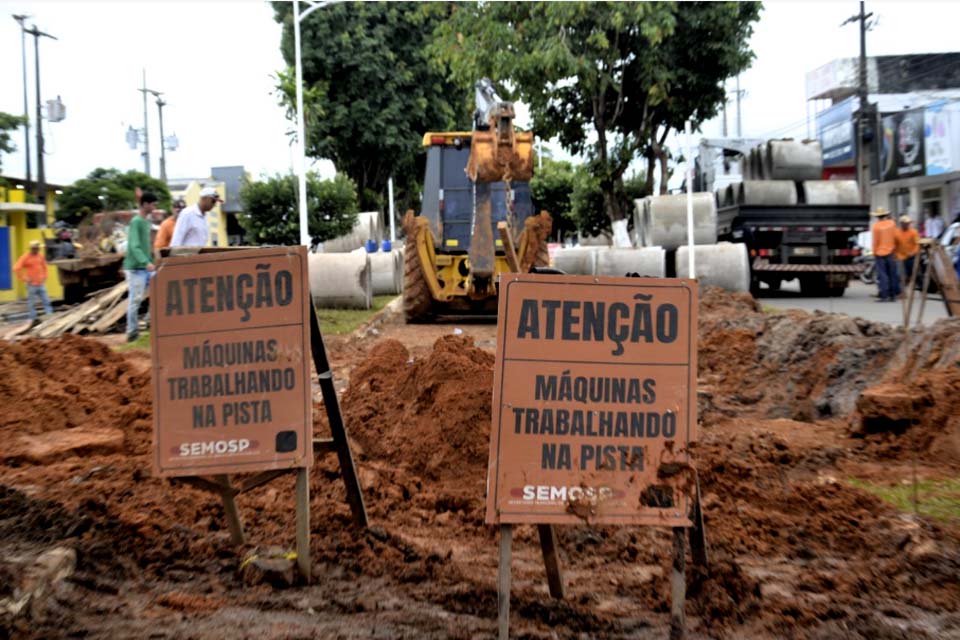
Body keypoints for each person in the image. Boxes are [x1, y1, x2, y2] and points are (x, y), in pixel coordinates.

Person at [124, 191, 158, 342]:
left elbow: (145, 246)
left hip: (145, 267)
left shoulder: (145, 222)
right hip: (136, 268)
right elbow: (134, 246)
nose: (155, 207)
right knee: (135, 300)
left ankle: (150, 322)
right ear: (145, 204)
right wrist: (146, 262)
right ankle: (132, 333)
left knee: (158, 291)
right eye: (153, 204)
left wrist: (150, 260)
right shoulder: (136, 222)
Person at [14, 240, 53, 326]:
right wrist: (24, 278)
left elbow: (45, 267)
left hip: (41, 284)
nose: (36, 250)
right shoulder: (25, 257)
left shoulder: (40, 256)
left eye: (37, 249)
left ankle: (49, 317)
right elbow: (16, 268)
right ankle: (33, 319)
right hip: (31, 285)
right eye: (34, 248)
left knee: (46, 301)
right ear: (31, 249)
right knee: (31, 303)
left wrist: (45, 276)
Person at [871, 207, 900, 302]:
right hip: (891, 252)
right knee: (892, 274)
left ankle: (884, 295)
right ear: (886, 215)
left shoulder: (876, 226)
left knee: (882, 275)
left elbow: (875, 241)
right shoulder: (892, 224)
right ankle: (893, 295)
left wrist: (874, 252)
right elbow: (896, 237)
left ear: (877, 216)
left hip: (880, 253)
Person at [895, 214, 921, 287]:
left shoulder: (913, 232)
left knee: (913, 272)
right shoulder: (896, 233)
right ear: (901, 224)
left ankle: (917, 284)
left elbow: (917, 244)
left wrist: (913, 252)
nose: (906, 225)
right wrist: (895, 254)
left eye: (907, 223)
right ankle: (902, 290)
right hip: (900, 256)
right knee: (900, 275)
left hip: (911, 256)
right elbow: (895, 244)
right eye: (905, 223)